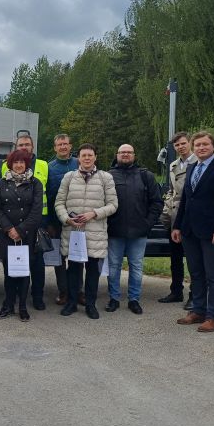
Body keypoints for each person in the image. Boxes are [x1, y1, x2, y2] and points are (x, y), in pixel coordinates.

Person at [173, 131, 214, 333]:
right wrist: (177, 226)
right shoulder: (192, 168)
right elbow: (185, 200)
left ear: (213, 147)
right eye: (198, 145)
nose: (201, 148)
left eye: (205, 144)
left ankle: (212, 317)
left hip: (212, 232)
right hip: (189, 231)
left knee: (213, 275)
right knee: (196, 273)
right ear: (193, 148)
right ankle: (198, 311)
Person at [55, 143, 118, 320]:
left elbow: (113, 205)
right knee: (73, 270)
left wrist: (94, 213)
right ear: (79, 158)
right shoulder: (69, 177)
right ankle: (71, 303)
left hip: (94, 233)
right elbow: (59, 203)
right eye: (83, 155)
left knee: (92, 271)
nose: (87, 158)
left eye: (90, 155)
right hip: (73, 232)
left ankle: (90, 305)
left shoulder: (106, 178)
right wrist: (66, 218)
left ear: (95, 157)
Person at [105, 144, 163, 314]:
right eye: (122, 152)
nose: (125, 154)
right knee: (113, 267)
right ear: (117, 155)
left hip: (139, 232)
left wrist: (147, 223)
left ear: (134, 155)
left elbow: (157, 202)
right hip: (114, 231)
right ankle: (114, 298)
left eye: (129, 152)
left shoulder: (146, 175)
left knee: (136, 267)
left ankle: (134, 299)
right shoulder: (108, 176)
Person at [0, 148, 43, 322]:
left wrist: (20, 230)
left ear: (26, 164)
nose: (19, 165)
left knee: (24, 271)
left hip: (26, 234)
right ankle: (8, 304)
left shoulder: (35, 183)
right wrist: (9, 229)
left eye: (22, 162)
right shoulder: (1, 183)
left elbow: (36, 211)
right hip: (7, 234)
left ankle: (22, 306)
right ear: (10, 164)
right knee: (9, 272)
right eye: (16, 162)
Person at [0, 133, 49, 310]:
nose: (24, 147)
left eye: (27, 144)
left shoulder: (43, 165)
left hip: (38, 221)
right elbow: (1, 197)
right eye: (21, 145)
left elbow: (50, 192)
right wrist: (9, 227)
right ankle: (12, 298)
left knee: (37, 263)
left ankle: (37, 296)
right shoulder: (4, 167)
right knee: (14, 262)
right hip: (11, 225)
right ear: (16, 147)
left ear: (32, 146)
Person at [159, 132, 197, 309]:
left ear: (190, 143)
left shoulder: (198, 163)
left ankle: (195, 295)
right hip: (174, 217)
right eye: (177, 145)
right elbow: (171, 190)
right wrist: (167, 208)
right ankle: (176, 291)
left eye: (183, 143)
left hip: (191, 216)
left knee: (193, 259)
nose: (180, 147)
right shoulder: (173, 165)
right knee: (175, 258)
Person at [45, 133, 79, 306]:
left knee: (77, 256)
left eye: (65, 144)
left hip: (77, 219)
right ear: (55, 148)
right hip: (56, 220)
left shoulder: (79, 163)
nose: (63, 147)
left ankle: (77, 291)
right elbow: (46, 196)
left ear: (70, 146)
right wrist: (49, 222)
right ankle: (63, 291)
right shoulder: (49, 168)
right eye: (60, 144)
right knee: (59, 258)